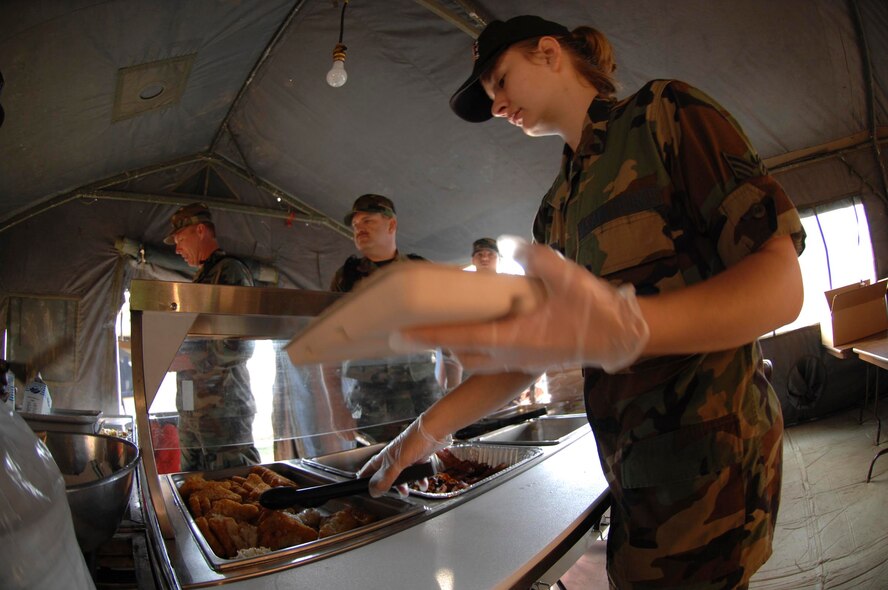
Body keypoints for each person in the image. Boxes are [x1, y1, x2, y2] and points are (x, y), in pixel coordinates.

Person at [359, 15, 805, 590]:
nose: (497, 106)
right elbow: (532, 354)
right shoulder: (555, 209)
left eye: (500, 79)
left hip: (709, 472)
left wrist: (633, 325)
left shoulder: (664, 116)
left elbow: (780, 286)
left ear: (549, 53)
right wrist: (422, 432)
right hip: (631, 479)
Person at [328, 194, 461, 442]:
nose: (359, 229)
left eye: (368, 221)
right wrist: (336, 407)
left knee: (434, 468)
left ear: (391, 225)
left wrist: (453, 397)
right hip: (370, 403)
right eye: (356, 225)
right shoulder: (346, 278)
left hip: (422, 397)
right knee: (377, 471)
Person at [165, 202, 261, 471]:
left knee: (235, 488)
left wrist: (183, 360)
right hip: (192, 411)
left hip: (223, 414)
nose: (177, 248)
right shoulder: (202, 279)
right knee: (193, 493)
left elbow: (239, 345)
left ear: (200, 230)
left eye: (179, 239)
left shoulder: (230, 272)